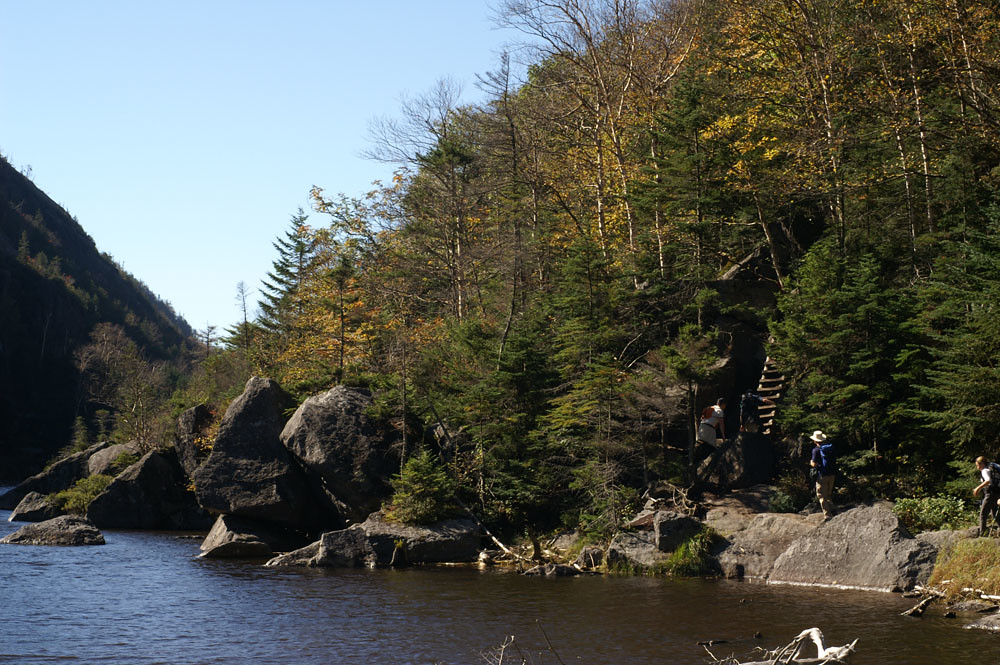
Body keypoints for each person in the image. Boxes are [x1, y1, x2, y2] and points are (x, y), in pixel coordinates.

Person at [809, 430, 835, 519]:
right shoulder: (829, 448)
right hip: (832, 474)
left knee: (821, 495)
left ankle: (827, 515)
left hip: (822, 475)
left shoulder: (816, 450)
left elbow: (814, 464)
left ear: (815, 440)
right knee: (828, 493)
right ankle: (833, 510)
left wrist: (811, 462)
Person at [972, 456, 1000, 537]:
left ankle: (982, 534)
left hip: (990, 494)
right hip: (997, 493)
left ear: (982, 464)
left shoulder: (985, 470)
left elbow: (988, 480)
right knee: (996, 514)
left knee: (983, 514)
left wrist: (977, 488)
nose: (977, 467)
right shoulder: (993, 470)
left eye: (977, 465)